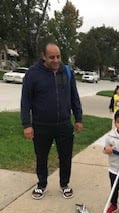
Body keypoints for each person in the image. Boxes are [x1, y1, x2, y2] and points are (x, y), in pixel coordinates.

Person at [21, 42, 83, 200]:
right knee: (41, 156)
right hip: (41, 125)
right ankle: (41, 184)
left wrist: (78, 118)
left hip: (63, 124)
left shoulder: (67, 71)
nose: (56, 60)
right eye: (52, 57)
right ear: (43, 56)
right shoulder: (33, 73)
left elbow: (74, 96)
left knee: (66, 157)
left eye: (58, 56)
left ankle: (64, 184)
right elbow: (25, 100)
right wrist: (26, 124)